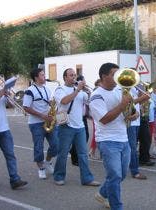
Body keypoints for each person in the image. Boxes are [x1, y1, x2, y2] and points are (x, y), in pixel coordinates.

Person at [89, 63, 131, 210]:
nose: (118, 77)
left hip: (123, 138)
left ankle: (102, 193)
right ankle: (116, 206)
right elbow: (105, 119)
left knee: (122, 174)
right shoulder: (96, 96)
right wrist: (122, 105)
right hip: (107, 141)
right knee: (115, 176)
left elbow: (126, 113)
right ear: (104, 76)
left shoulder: (119, 90)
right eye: (114, 74)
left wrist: (133, 112)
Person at [53, 68, 100, 186]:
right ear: (65, 77)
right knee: (63, 153)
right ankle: (59, 176)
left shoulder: (80, 91)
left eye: (74, 75)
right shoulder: (60, 89)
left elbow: (89, 101)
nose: (73, 77)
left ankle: (87, 179)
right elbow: (64, 101)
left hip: (80, 126)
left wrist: (88, 92)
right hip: (66, 125)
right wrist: (77, 90)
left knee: (83, 154)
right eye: (70, 75)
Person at [23, 68, 58, 179]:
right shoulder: (30, 90)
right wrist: (42, 116)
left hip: (49, 121)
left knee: (56, 145)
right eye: (42, 75)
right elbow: (26, 107)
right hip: (36, 123)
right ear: (36, 77)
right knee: (38, 147)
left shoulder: (47, 89)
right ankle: (41, 168)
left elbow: (50, 104)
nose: (44, 76)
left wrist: (53, 112)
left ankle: (47, 162)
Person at [0, 88, 28, 189]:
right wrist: (0, 94)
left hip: (4, 129)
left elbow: (9, 106)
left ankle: (15, 180)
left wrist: (8, 96)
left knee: (10, 155)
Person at [70, 75, 90, 166]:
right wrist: (79, 90)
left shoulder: (84, 92)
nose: (85, 82)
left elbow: (88, 102)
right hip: (76, 118)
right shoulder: (75, 90)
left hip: (83, 117)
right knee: (78, 139)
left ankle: (76, 154)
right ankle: (75, 157)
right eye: (84, 80)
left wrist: (87, 92)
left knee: (86, 136)